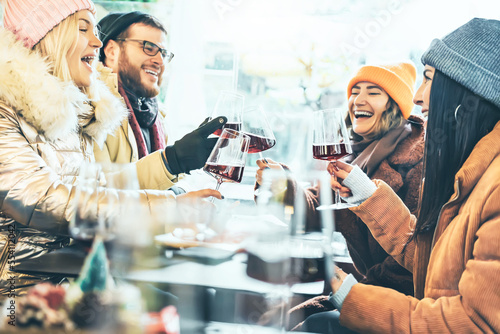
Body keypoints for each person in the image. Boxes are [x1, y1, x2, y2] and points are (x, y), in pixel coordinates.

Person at [0, 0, 222, 296]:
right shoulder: (7, 113)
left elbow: (99, 187)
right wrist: (167, 207)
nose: (96, 41)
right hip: (16, 299)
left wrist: (172, 170)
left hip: (71, 278)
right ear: (48, 35)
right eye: (82, 29)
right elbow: (47, 199)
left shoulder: (71, 114)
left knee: (190, 302)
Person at [304, 18, 500, 333]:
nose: (419, 97)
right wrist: (366, 193)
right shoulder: (473, 171)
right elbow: (428, 257)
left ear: (467, 97)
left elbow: (473, 323)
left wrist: (351, 296)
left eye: (429, 79)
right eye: (355, 91)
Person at [255, 62, 425, 330]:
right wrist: (282, 186)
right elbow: (317, 209)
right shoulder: (353, 156)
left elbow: (417, 255)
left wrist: (353, 293)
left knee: (308, 324)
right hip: (364, 290)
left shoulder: (418, 161)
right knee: (279, 319)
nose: (358, 99)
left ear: (395, 105)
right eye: (355, 91)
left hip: (404, 306)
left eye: (373, 92)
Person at [95, 11, 220, 192]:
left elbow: (171, 180)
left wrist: (179, 189)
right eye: (148, 47)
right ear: (112, 51)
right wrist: (172, 160)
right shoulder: (92, 109)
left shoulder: (154, 114)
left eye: (163, 53)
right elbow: (98, 195)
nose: (160, 61)